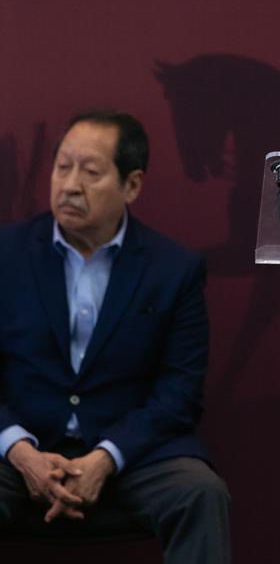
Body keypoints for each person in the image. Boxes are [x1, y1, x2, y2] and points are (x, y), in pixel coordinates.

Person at [0, 109, 231, 561]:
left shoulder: (173, 270)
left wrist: (107, 456)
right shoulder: (7, 254)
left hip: (129, 454)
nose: (70, 185)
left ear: (132, 185)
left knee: (200, 492)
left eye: (90, 172)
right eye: (62, 167)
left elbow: (180, 392)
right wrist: (20, 450)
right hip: (21, 448)